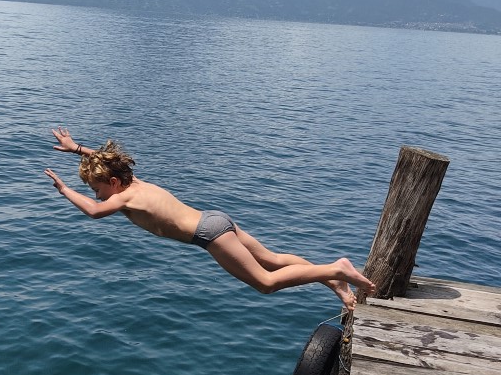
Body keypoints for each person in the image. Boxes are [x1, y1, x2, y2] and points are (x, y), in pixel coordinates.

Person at [44, 127, 375, 310]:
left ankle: (336, 269)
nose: (98, 196)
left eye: (97, 189)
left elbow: (94, 212)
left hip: (208, 235)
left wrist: (64, 189)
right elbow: (109, 160)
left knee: (266, 283)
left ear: (113, 183)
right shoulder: (134, 183)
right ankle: (336, 285)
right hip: (216, 219)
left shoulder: (125, 196)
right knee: (274, 260)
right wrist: (77, 149)